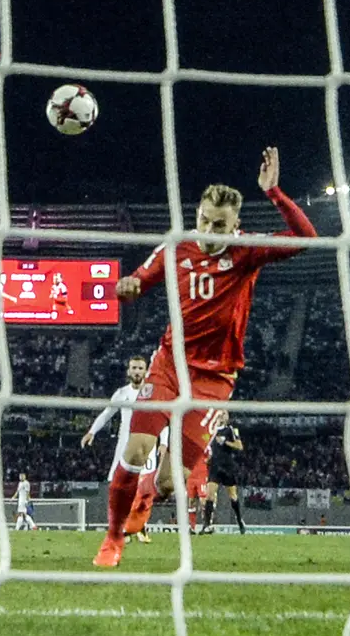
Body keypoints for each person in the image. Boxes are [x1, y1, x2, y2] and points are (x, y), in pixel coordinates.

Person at [94, 147, 317, 567]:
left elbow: (307, 238)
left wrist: (274, 193)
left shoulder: (247, 250)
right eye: (204, 221)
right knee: (137, 449)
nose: (210, 230)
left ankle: (146, 497)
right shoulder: (176, 247)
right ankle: (112, 540)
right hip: (169, 365)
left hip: (217, 378)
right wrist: (130, 286)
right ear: (196, 214)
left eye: (220, 225)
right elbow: (143, 278)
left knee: (169, 479)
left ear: (236, 225)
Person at [81, 356, 149, 481]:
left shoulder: (152, 394)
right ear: (128, 371)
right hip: (125, 441)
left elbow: (161, 418)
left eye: (140, 368)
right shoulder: (121, 393)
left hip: (146, 443)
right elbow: (107, 414)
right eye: (134, 368)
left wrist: (164, 443)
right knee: (114, 480)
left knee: (144, 482)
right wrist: (92, 432)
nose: (137, 371)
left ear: (145, 371)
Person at [202, 409, 245, 535]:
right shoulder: (211, 431)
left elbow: (239, 446)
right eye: (220, 414)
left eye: (224, 414)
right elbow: (205, 443)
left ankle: (239, 520)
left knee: (233, 496)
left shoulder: (231, 430)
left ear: (227, 417)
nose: (221, 416)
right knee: (209, 495)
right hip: (214, 466)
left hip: (227, 466)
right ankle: (206, 525)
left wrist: (225, 442)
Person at [122, 429, 168, 544]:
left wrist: (164, 443)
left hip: (149, 457)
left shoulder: (155, 413)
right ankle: (127, 530)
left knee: (145, 498)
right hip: (132, 452)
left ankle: (137, 529)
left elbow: (164, 424)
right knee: (133, 497)